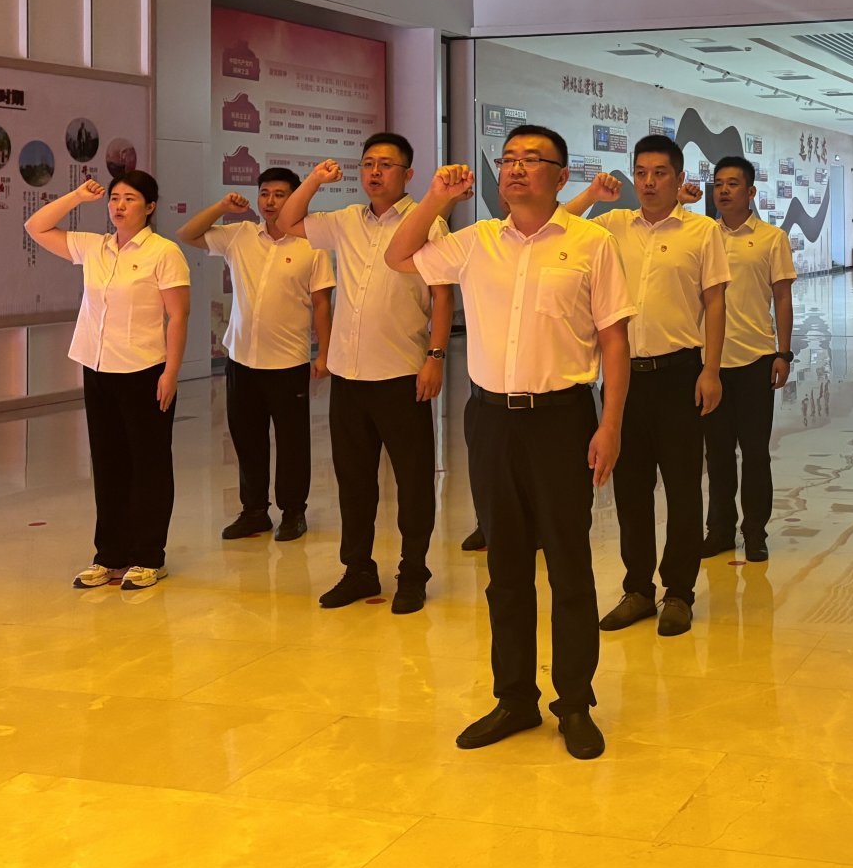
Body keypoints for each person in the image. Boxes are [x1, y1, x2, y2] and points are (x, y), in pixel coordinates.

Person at [384, 126, 632, 761]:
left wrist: (610, 425)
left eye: (531, 160)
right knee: (507, 570)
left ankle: (574, 702)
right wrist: (436, 199)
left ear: (561, 175)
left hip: (562, 419)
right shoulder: (475, 242)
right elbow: (399, 256)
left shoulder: (593, 244)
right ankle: (515, 697)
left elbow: (614, 342)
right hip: (491, 420)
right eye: (509, 159)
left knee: (570, 568)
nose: (516, 168)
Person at [275, 133, 448, 614]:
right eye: (368, 163)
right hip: (349, 375)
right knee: (354, 482)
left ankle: (413, 571)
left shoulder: (426, 223)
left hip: (401, 373)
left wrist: (435, 356)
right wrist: (315, 179)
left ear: (407, 174)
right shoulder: (346, 220)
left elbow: (442, 294)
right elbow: (287, 222)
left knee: (413, 481)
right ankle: (358, 569)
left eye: (386, 165)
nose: (374, 172)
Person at [565, 136, 729, 637]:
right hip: (622, 381)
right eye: (641, 172)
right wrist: (592, 194)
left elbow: (715, 304)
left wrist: (711, 370)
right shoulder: (612, 226)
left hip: (680, 375)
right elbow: (558, 225)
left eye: (660, 173)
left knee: (682, 489)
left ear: (679, 179)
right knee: (630, 490)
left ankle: (679, 592)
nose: (649, 182)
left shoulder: (702, 232)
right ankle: (637, 589)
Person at [25, 171, 191, 591]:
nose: (119, 205)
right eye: (114, 198)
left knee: (149, 465)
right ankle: (110, 555)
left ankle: (149, 556)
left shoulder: (163, 252)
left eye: (130, 199)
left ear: (150, 207)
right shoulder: (93, 246)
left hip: (145, 370)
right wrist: (77, 196)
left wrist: (171, 372)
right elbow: (36, 226)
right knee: (108, 463)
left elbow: (178, 315)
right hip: (98, 368)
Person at [178, 169, 334, 543]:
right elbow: (187, 234)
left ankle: (293, 513)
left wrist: (325, 354)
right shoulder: (240, 235)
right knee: (247, 440)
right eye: (265, 193)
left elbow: (322, 305)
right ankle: (254, 512)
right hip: (242, 360)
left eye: (280, 194)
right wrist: (221, 206)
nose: (270, 201)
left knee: (292, 443)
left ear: (296, 198)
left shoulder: (312, 245)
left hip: (288, 362)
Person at [702, 155, 796, 564]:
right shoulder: (704, 235)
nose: (723, 190)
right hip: (710, 365)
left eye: (732, 184)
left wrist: (783, 353)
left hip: (756, 358)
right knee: (717, 454)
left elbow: (782, 297)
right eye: (718, 184)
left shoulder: (772, 238)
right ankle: (720, 530)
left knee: (755, 453)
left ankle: (755, 531)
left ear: (751, 191)